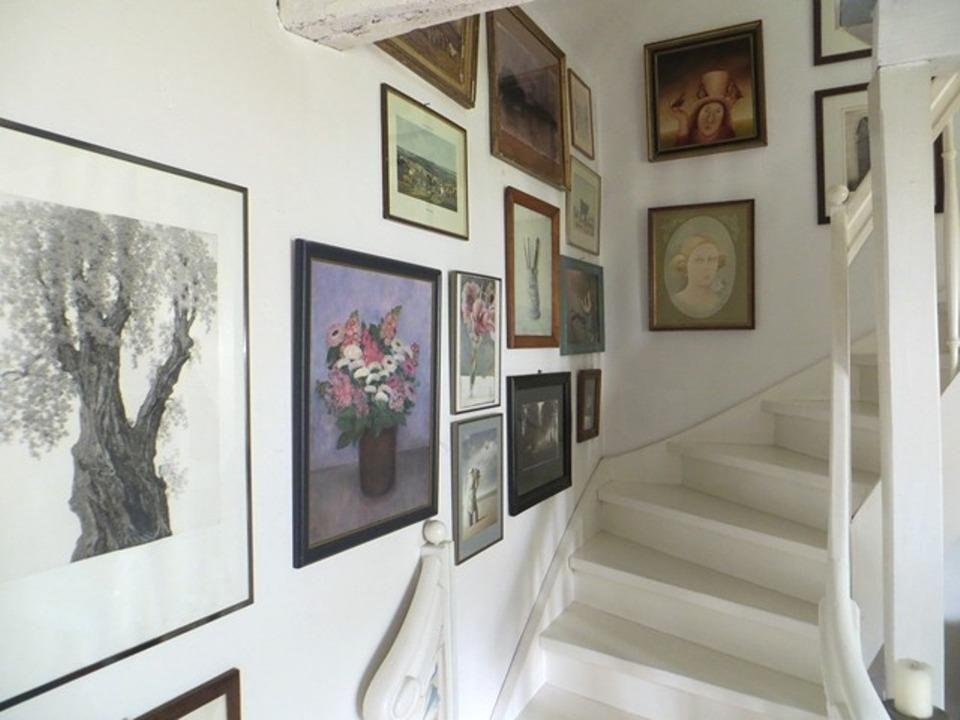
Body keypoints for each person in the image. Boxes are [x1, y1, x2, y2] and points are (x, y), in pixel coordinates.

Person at [669, 70, 742, 147]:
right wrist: (683, 121)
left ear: (723, 118)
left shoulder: (727, 134)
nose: (710, 119)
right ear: (698, 113)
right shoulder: (690, 135)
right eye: (706, 111)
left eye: (718, 112)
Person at [669, 234, 728, 318]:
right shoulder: (677, 301)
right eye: (699, 260)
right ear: (685, 265)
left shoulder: (720, 302)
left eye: (712, 260)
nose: (706, 267)